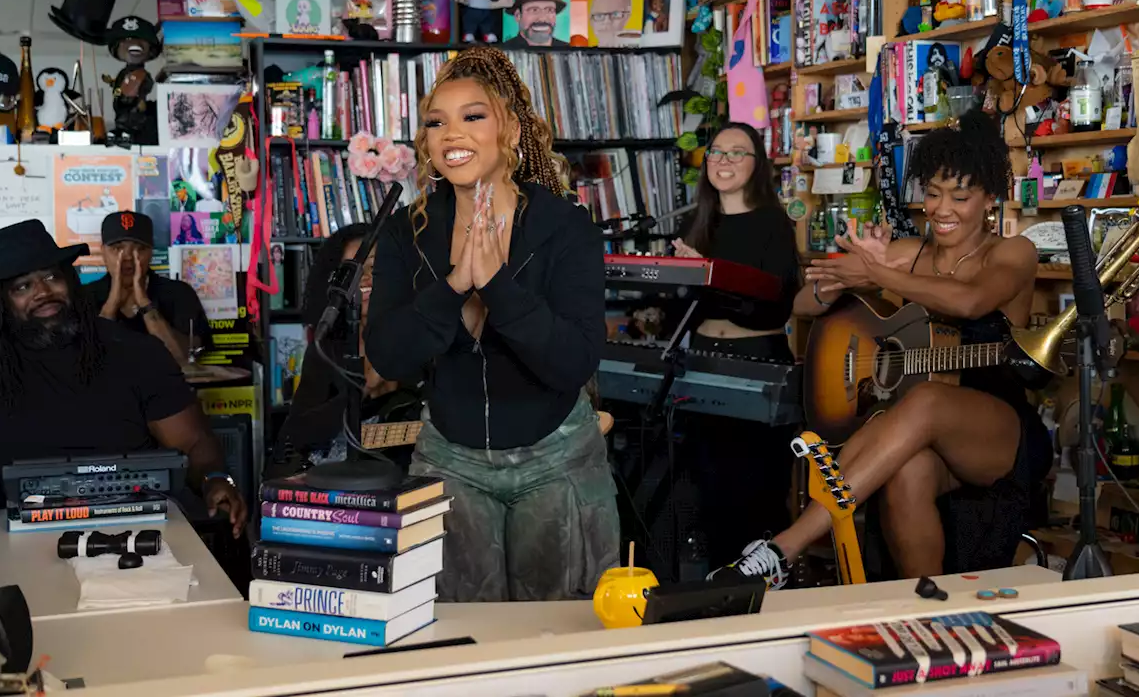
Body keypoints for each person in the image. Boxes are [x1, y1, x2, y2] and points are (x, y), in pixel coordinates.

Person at [710, 110, 1048, 588]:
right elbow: (802, 302)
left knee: (924, 401)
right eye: (932, 194)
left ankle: (783, 549)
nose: (943, 209)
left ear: (990, 198)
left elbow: (970, 302)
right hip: (912, 428)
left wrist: (879, 274)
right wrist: (843, 285)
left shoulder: (1012, 252)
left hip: (997, 428)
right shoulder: (909, 251)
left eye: (961, 196)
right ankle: (922, 607)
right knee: (907, 471)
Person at [365, 46, 617, 602]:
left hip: (557, 460)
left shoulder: (565, 227)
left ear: (507, 127)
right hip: (448, 460)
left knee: (559, 640)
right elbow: (387, 355)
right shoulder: (407, 233)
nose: (452, 133)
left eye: (472, 116)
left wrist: (497, 286)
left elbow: (572, 361)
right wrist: (454, 285)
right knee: (460, 637)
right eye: (436, 121)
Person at [0, 220, 247, 536]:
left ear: (70, 280)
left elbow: (192, 443)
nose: (43, 291)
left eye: (52, 277)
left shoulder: (135, 352)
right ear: (1, 302)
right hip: (11, 535)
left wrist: (214, 479)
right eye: (22, 286)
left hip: (136, 528)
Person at [670, 123, 802, 565]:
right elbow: (685, 309)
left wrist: (705, 274)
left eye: (737, 153)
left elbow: (772, 309)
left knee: (756, 488)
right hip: (703, 360)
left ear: (756, 165)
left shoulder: (772, 222)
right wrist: (681, 278)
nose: (724, 161)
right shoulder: (697, 222)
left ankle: (763, 581)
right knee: (708, 486)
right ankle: (714, 587)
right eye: (716, 152)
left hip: (757, 361)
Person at [280, 223, 420, 470]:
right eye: (352, 269)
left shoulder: (424, 337)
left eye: (375, 266)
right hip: (345, 478)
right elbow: (299, 434)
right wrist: (364, 386)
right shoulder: (327, 349)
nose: (364, 277)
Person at [86, 210, 210, 366]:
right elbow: (87, 360)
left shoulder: (179, 294)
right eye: (117, 249)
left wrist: (145, 303)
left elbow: (180, 357)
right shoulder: (84, 297)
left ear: (151, 252)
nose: (128, 257)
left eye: (139, 249)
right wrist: (112, 303)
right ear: (103, 251)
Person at [502, 0, 569, 48]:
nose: (542, 18)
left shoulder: (571, 51)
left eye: (549, 10)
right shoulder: (501, 53)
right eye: (534, 10)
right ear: (518, 15)